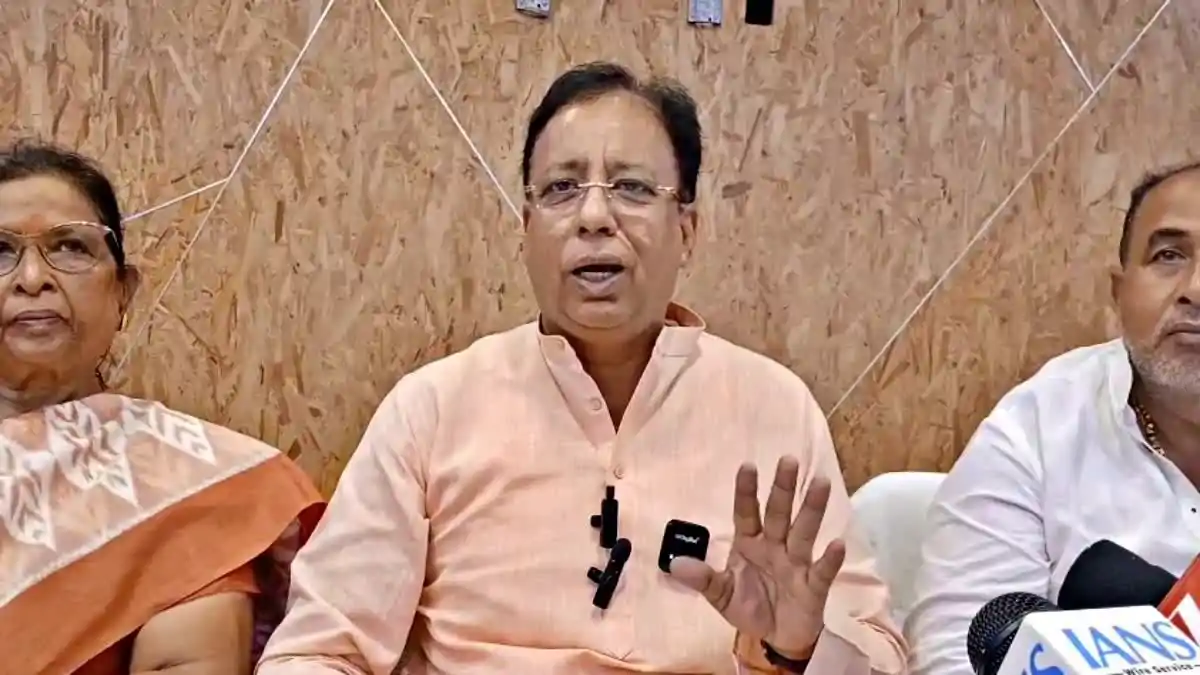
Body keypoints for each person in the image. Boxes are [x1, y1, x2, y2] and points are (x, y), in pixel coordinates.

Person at [257, 62, 906, 675]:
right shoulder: (432, 410)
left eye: (632, 188)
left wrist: (797, 650)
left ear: (686, 230)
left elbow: (879, 654)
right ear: (526, 229)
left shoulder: (774, 408)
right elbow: (315, 651)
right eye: (562, 189)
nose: (594, 217)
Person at [0, 140, 326, 675]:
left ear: (122, 293)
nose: (33, 278)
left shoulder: (191, 486)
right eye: (0, 251)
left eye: (71, 247)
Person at [906, 160, 1200, 674]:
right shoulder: (1034, 433)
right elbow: (958, 661)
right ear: (1119, 292)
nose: (1196, 288)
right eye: (1168, 256)